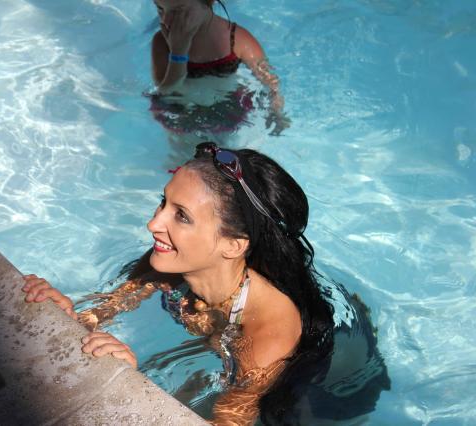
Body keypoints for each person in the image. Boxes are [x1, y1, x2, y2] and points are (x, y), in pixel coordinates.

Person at [23, 142, 335, 424]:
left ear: (233, 245)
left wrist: (132, 386)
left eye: (181, 216)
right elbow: (103, 310)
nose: (154, 223)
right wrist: (67, 316)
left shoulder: (270, 332)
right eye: (164, 202)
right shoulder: (169, 261)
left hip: (308, 390)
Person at [149, 0, 291, 136]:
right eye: (160, 9)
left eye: (178, 11)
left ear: (209, 2)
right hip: (181, 113)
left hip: (226, 110)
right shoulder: (162, 42)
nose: (165, 20)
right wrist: (179, 52)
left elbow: (270, 84)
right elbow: (165, 90)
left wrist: (275, 113)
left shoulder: (237, 40)